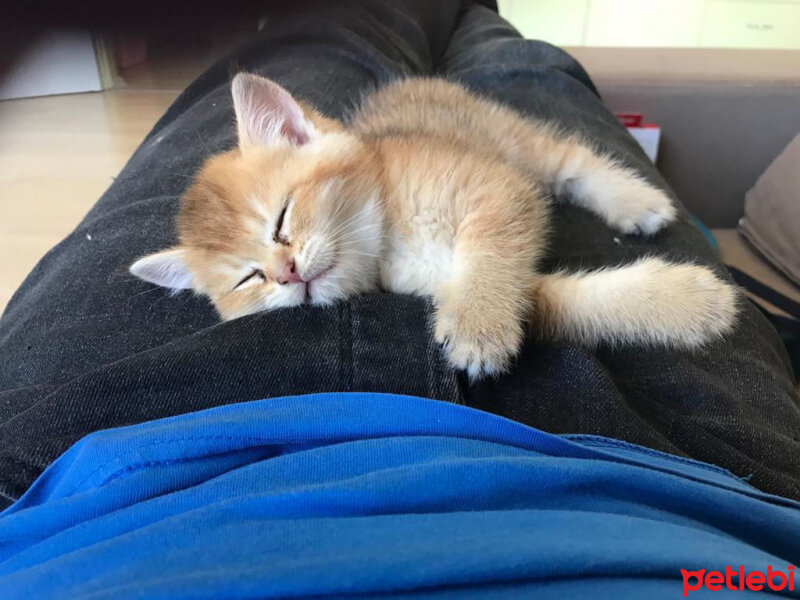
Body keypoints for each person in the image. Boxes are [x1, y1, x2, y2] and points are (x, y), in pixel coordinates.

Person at [0, 0, 797, 510]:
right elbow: (481, 286)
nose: (281, 271)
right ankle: (474, 17)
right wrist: (598, 303)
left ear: (297, 133)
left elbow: (500, 207)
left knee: (523, 131)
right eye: (249, 277)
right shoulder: (346, 275)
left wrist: (491, 284)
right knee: (528, 64)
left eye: (278, 230)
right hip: (706, 498)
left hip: (421, 126)